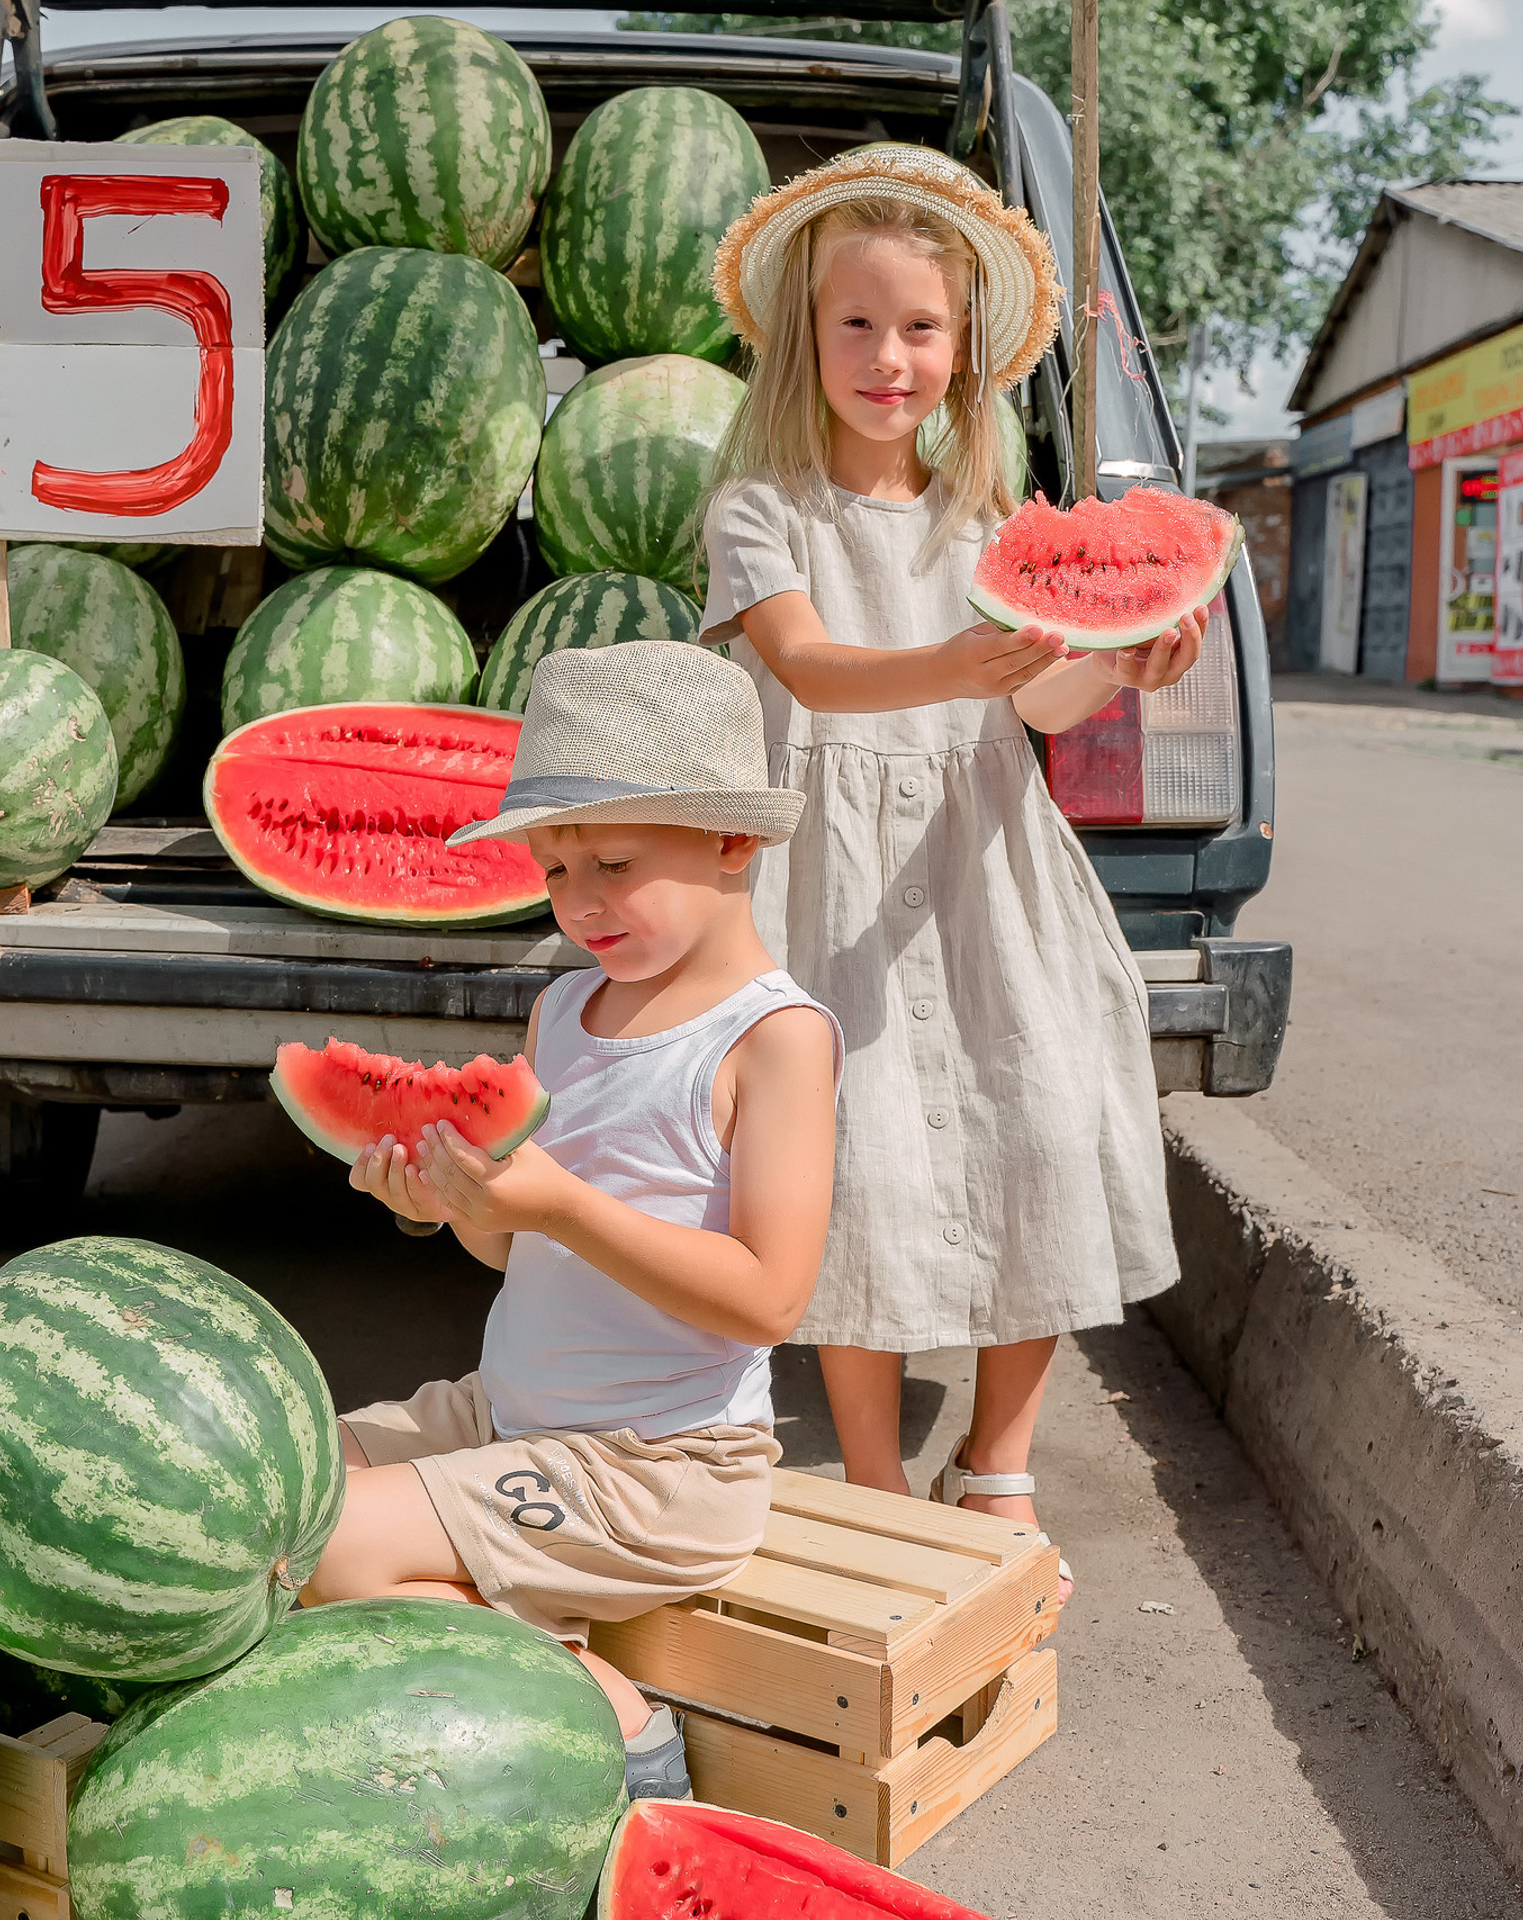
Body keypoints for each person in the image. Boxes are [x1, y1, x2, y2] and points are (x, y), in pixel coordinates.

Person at [698, 144, 1209, 1604]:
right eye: (856, 323)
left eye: (920, 327)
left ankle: (998, 1464)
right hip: (831, 865)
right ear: (805, 337)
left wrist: (1119, 663)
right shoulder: (761, 508)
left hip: (985, 857)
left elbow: (1034, 700)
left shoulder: (991, 523)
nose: (888, 356)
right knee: (853, 1166)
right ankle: (873, 1479)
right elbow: (809, 665)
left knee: (1035, 1127)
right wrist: (959, 660)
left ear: (963, 348)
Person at [304, 641, 842, 1802]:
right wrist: (452, 1204)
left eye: (613, 863)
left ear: (731, 840)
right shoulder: (562, 1009)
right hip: (507, 1416)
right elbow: (513, 1245)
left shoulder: (774, 1039)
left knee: (323, 1548)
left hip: (659, 1468)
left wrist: (563, 1204)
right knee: (267, 1480)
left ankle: (620, 1727)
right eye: (553, 869)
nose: (579, 901)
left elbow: (770, 1297)